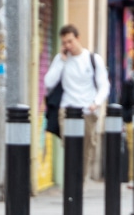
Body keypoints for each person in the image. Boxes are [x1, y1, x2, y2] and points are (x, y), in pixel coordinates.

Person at [45, 24, 110, 180]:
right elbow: (48, 82)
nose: (68, 45)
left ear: (78, 38)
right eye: (64, 42)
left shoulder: (93, 59)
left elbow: (104, 85)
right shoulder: (61, 59)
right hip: (66, 110)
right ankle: (70, 183)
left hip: (87, 110)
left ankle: (79, 183)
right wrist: (61, 61)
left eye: (70, 41)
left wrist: (96, 102)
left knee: (85, 151)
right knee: (70, 148)